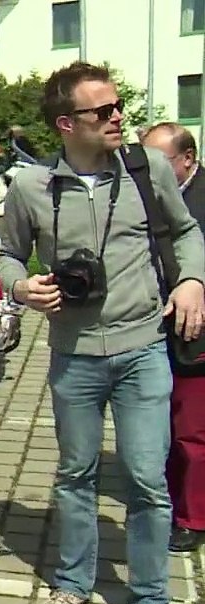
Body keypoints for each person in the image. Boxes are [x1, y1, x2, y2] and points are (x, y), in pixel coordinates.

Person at [0, 62, 205, 604]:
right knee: (75, 475)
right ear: (67, 124)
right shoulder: (30, 187)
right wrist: (22, 287)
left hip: (144, 349)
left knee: (147, 480)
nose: (118, 118)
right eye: (103, 111)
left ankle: (152, 601)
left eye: (119, 108)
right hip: (74, 356)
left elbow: (187, 231)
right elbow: (8, 257)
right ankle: (72, 582)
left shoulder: (148, 168)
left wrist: (192, 282)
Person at [141, 122, 205, 554]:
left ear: (187, 160)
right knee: (160, 426)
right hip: (151, 327)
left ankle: (193, 517)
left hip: (195, 332)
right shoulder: (144, 194)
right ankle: (163, 499)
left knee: (193, 433)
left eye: (159, 162)